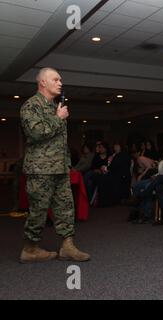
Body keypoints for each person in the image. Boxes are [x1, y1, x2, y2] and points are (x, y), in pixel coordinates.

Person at [19, 67, 89, 263]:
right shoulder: (31, 106)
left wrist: (67, 164)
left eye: (60, 80)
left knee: (66, 208)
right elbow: (36, 133)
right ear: (43, 82)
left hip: (60, 168)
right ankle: (29, 248)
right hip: (40, 169)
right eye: (56, 79)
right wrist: (58, 119)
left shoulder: (55, 107)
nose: (60, 83)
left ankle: (68, 246)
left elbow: (60, 142)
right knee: (39, 211)